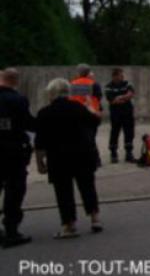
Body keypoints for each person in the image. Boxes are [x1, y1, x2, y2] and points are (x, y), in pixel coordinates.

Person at [35, 78, 103, 239]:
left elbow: (40, 141)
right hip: (83, 154)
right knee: (87, 186)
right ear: (68, 92)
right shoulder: (78, 107)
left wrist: (40, 163)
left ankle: (69, 226)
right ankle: (95, 219)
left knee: (63, 191)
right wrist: (89, 107)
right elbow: (95, 121)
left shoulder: (44, 113)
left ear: (51, 93)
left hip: (58, 158)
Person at [0, 68, 35, 248]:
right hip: (13, 151)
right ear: (15, 81)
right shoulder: (18, 100)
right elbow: (28, 124)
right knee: (14, 191)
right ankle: (11, 231)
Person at [69, 64, 103, 166]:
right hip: (92, 114)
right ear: (88, 72)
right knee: (91, 138)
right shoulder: (94, 84)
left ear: (79, 72)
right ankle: (95, 159)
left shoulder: (72, 84)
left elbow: (70, 99)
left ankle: (82, 159)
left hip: (77, 114)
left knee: (78, 138)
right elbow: (98, 99)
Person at [105, 68, 136, 163]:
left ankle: (129, 153)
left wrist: (120, 97)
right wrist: (122, 98)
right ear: (114, 76)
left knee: (129, 132)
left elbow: (130, 94)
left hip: (127, 113)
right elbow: (112, 100)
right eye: (120, 75)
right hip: (115, 114)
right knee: (114, 132)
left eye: (122, 75)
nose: (122, 77)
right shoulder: (108, 86)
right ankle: (113, 154)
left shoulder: (127, 84)